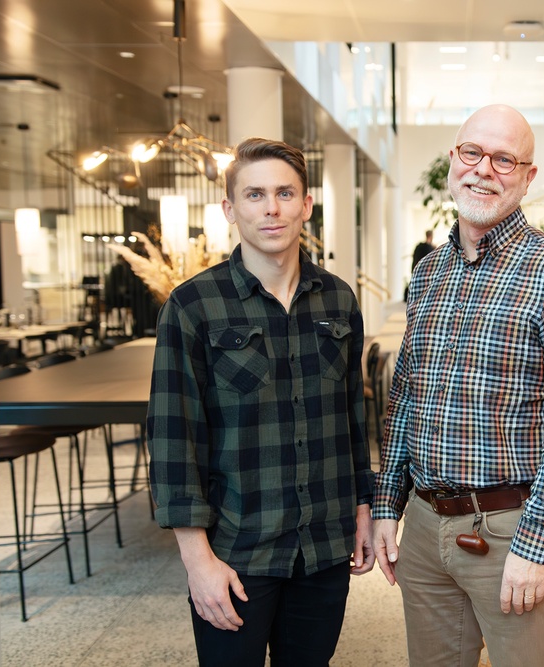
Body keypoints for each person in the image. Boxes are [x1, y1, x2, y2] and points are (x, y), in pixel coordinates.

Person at [372, 104, 544, 667]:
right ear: (453, 161)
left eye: (505, 159)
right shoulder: (429, 273)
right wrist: (388, 505)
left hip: (509, 529)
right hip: (426, 527)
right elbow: (406, 398)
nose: (484, 170)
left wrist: (536, 541)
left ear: (528, 177)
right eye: (472, 153)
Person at [147, 137, 375, 667]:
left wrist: (362, 508)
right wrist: (197, 561)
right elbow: (173, 439)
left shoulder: (338, 298)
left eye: (284, 193)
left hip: (322, 548)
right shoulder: (192, 305)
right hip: (237, 552)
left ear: (306, 206)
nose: (270, 208)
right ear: (230, 209)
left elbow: (351, 420)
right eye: (254, 195)